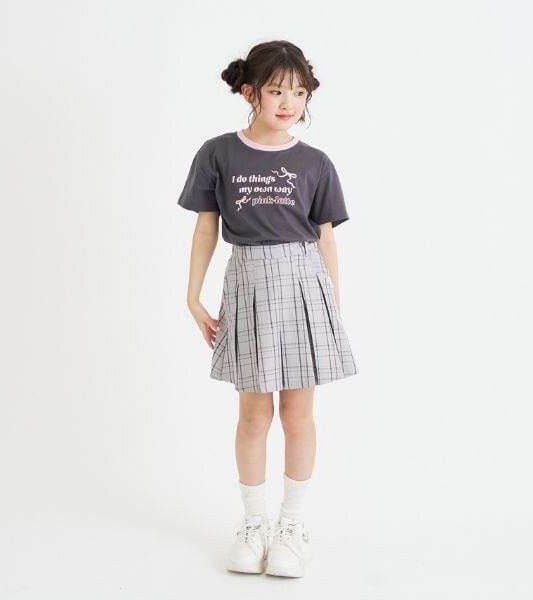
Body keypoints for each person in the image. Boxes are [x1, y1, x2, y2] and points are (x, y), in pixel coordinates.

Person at [176, 40, 358, 578]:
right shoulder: (218, 153)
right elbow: (206, 227)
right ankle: (254, 523)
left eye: (299, 93)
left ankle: (291, 527)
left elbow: (326, 239)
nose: (288, 103)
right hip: (248, 285)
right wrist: (193, 296)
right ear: (248, 91)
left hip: (305, 287)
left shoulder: (315, 163)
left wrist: (332, 308)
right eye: (277, 91)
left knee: (298, 414)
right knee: (254, 414)